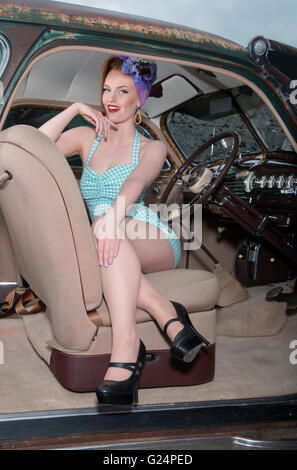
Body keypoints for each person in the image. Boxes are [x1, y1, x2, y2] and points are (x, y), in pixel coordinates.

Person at [39, 55, 208, 407]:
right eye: (105, 90)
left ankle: (126, 349)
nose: (110, 99)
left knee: (101, 231)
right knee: (99, 237)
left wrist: (113, 218)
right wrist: (72, 110)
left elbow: (136, 181)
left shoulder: (152, 147)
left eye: (122, 90)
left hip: (150, 234)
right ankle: (167, 313)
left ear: (140, 99)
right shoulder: (87, 137)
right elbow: (33, 150)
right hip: (104, 241)